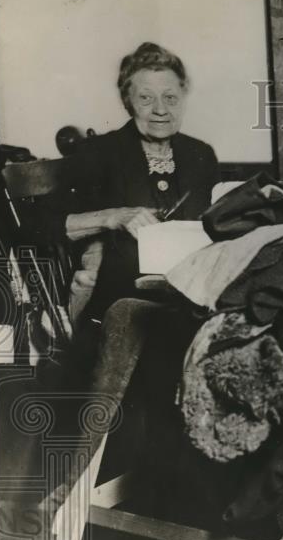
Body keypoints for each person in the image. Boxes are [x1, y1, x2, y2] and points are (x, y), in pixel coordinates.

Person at [32, 41, 219, 328]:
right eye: (146, 98)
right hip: (122, 297)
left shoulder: (200, 155)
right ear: (127, 101)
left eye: (170, 98)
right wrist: (113, 217)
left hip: (193, 293)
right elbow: (40, 224)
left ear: (183, 97)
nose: (160, 110)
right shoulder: (99, 153)